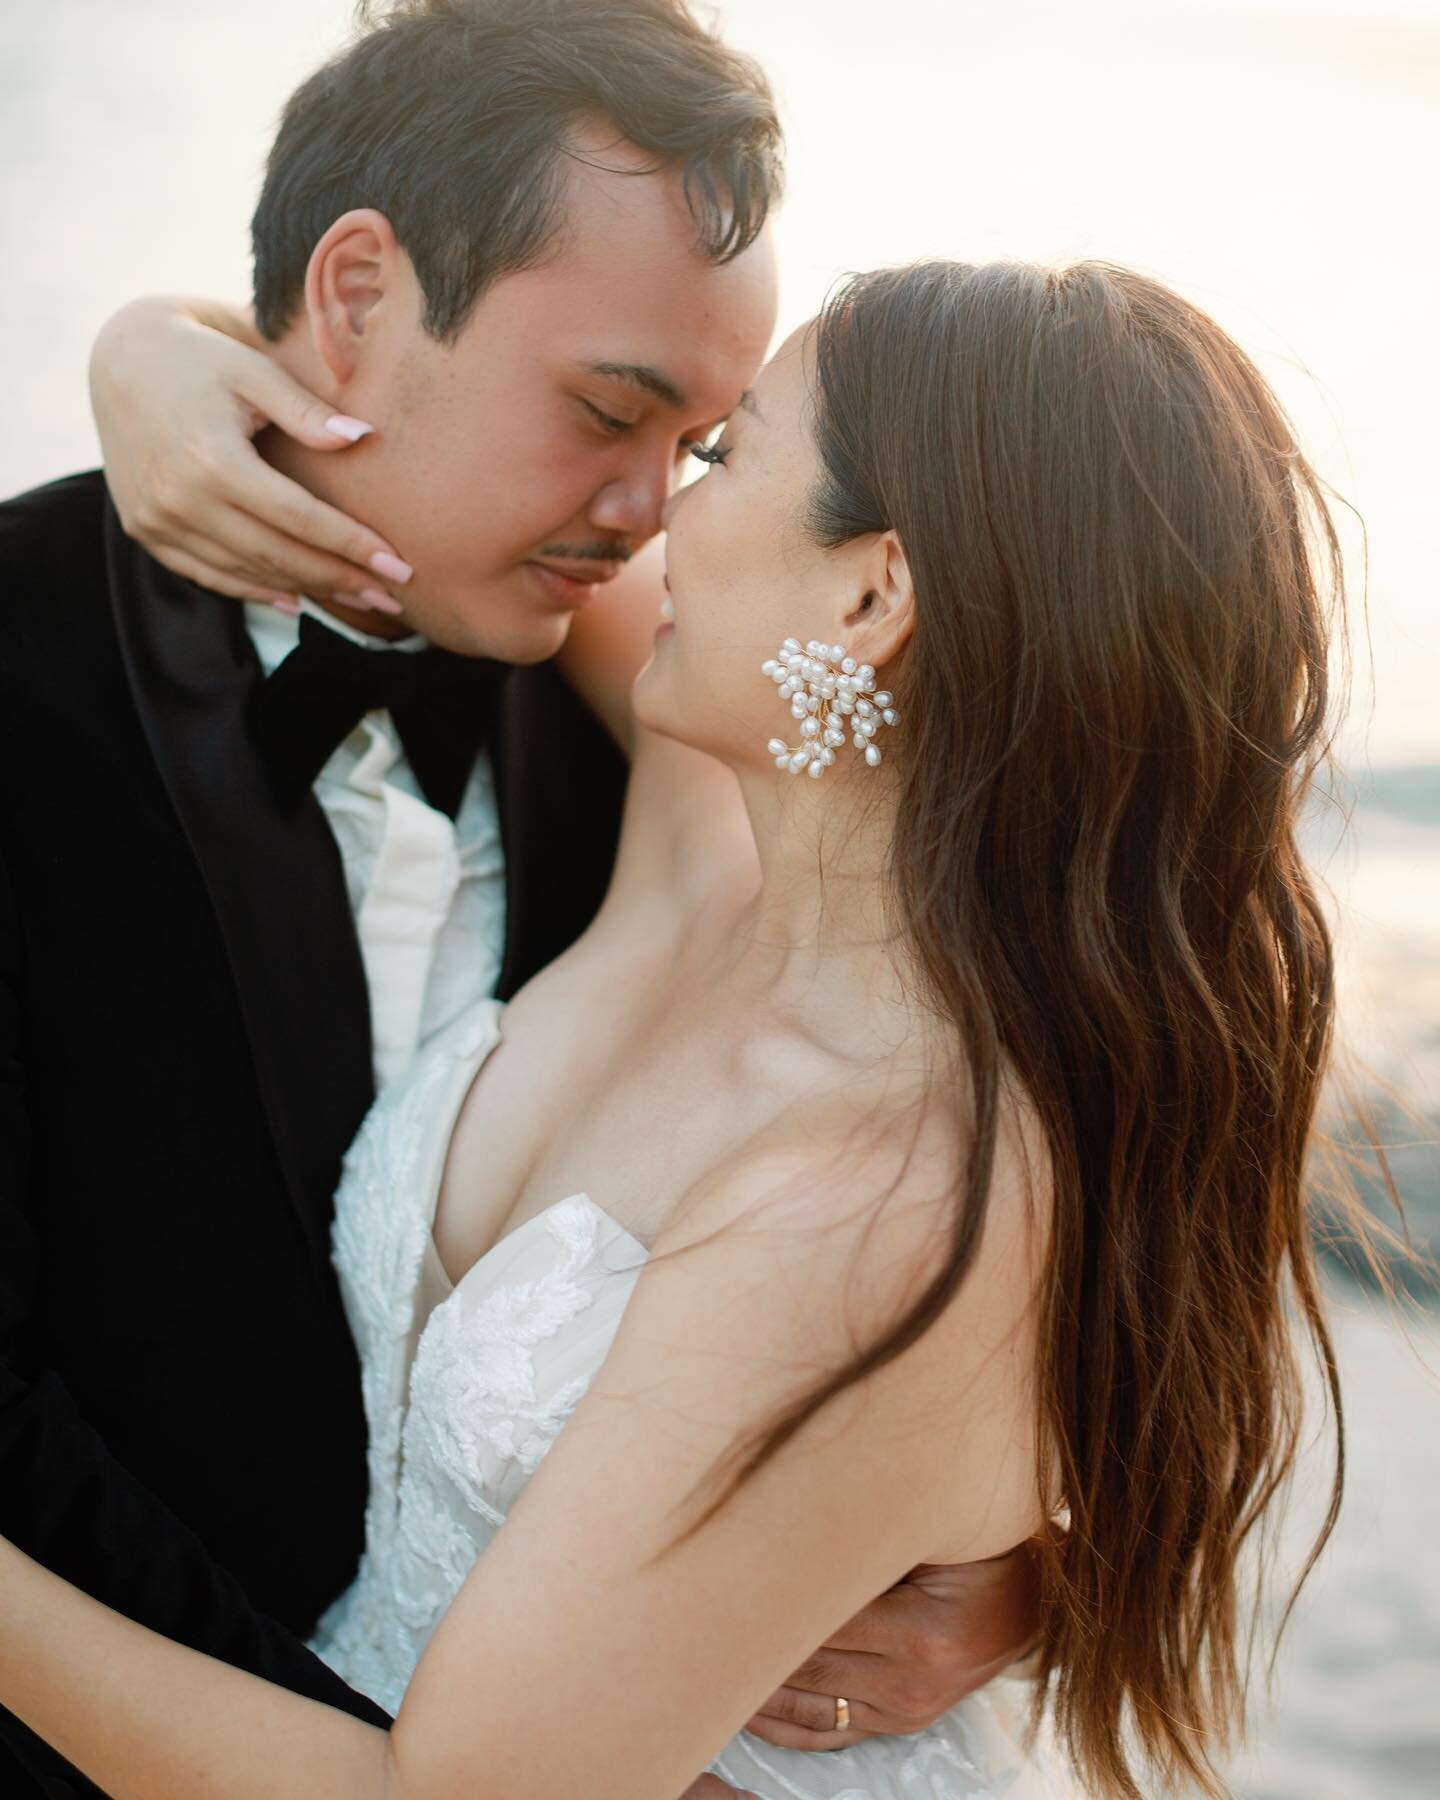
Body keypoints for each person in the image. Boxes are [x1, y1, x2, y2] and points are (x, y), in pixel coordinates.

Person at [0, 250, 1356, 1797]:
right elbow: (451, 415)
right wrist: (148, 355)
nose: (648, 512)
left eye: (719, 456)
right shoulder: (711, 827)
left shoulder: (874, 1205)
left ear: (873, 594)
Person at [0, 5, 1041, 1796]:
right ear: (354, 298)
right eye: (610, 412)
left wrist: (1031, 1568)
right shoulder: (18, 665)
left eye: (710, 446)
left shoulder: (677, 723)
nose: (648, 512)